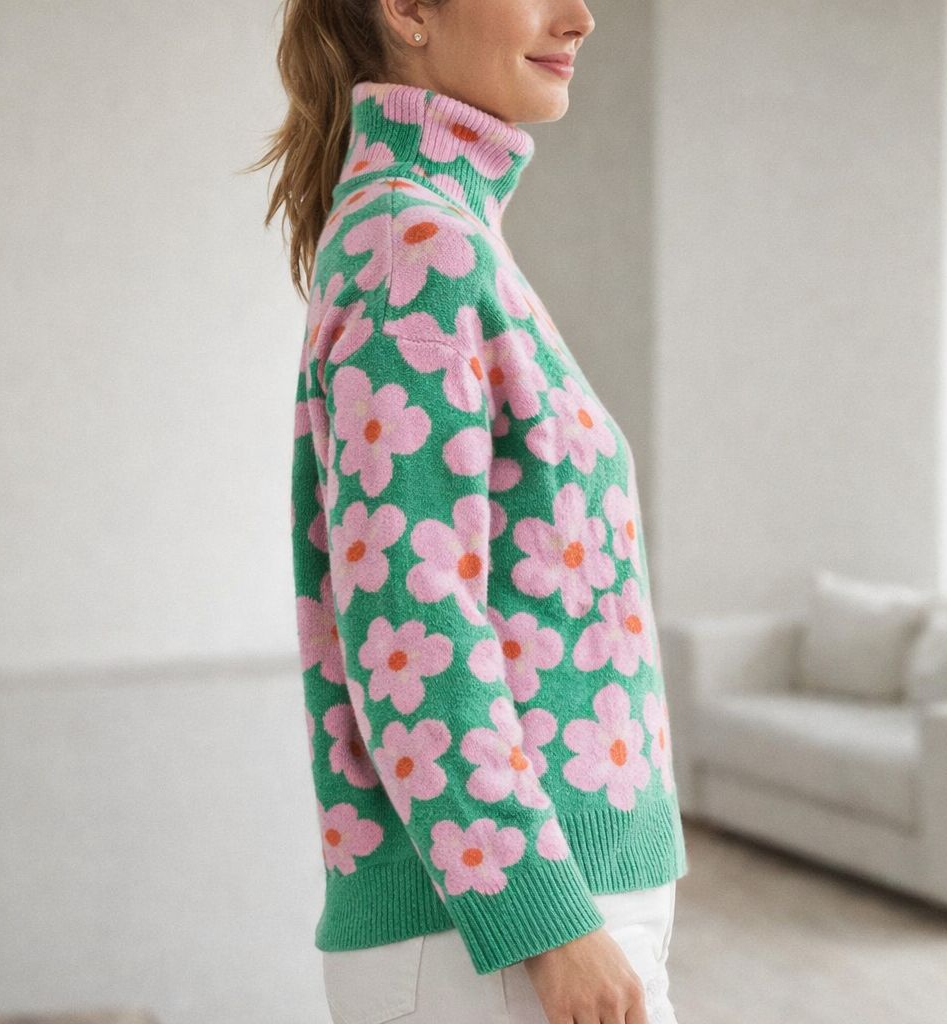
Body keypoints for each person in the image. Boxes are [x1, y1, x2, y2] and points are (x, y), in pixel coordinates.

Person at [254, 1, 688, 1021]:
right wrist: (550, 923)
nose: (580, 17)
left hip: (527, 915)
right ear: (407, 8)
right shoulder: (414, 249)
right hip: (498, 935)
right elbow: (413, 626)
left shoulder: (444, 236)